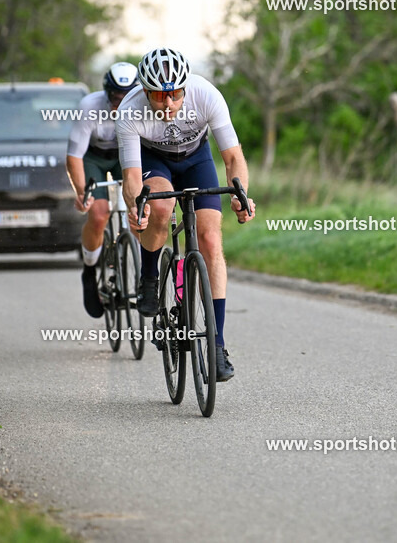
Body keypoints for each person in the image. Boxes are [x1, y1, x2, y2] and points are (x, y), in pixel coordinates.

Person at [118, 48, 255, 382]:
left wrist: (240, 194)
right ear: (145, 91)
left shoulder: (206, 94)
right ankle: (149, 278)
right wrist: (140, 207)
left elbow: (233, 157)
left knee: (210, 240)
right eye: (159, 96)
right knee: (161, 207)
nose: (168, 104)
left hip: (197, 160)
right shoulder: (129, 110)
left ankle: (217, 345)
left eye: (175, 94)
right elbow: (133, 178)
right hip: (155, 162)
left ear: (185, 88)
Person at [66, 62, 140, 317]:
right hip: (93, 157)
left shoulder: (143, 106)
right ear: (107, 93)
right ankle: (89, 269)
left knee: (140, 208)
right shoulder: (89, 106)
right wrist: (81, 192)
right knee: (98, 214)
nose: (119, 103)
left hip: (126, 156)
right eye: (115, 97)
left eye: (126, 97)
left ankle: (145, 271)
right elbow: (74, 156)